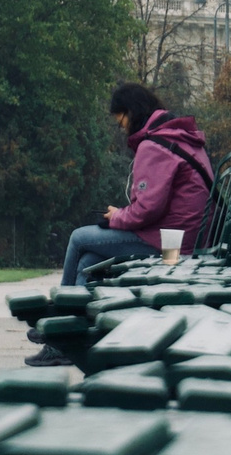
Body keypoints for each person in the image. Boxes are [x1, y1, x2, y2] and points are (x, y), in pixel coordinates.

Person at [29, 83, 213, 366]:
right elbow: (156, 205)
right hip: (181, 239)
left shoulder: (155, 146)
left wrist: (116, 216)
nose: (121, 128)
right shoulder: (178, 138)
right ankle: (66, 340)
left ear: (132, 112)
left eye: (121, 120)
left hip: (170, 249)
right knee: (89, 259)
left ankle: (58, 326)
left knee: (79, 238)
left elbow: (147, 210)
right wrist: (123, 212)